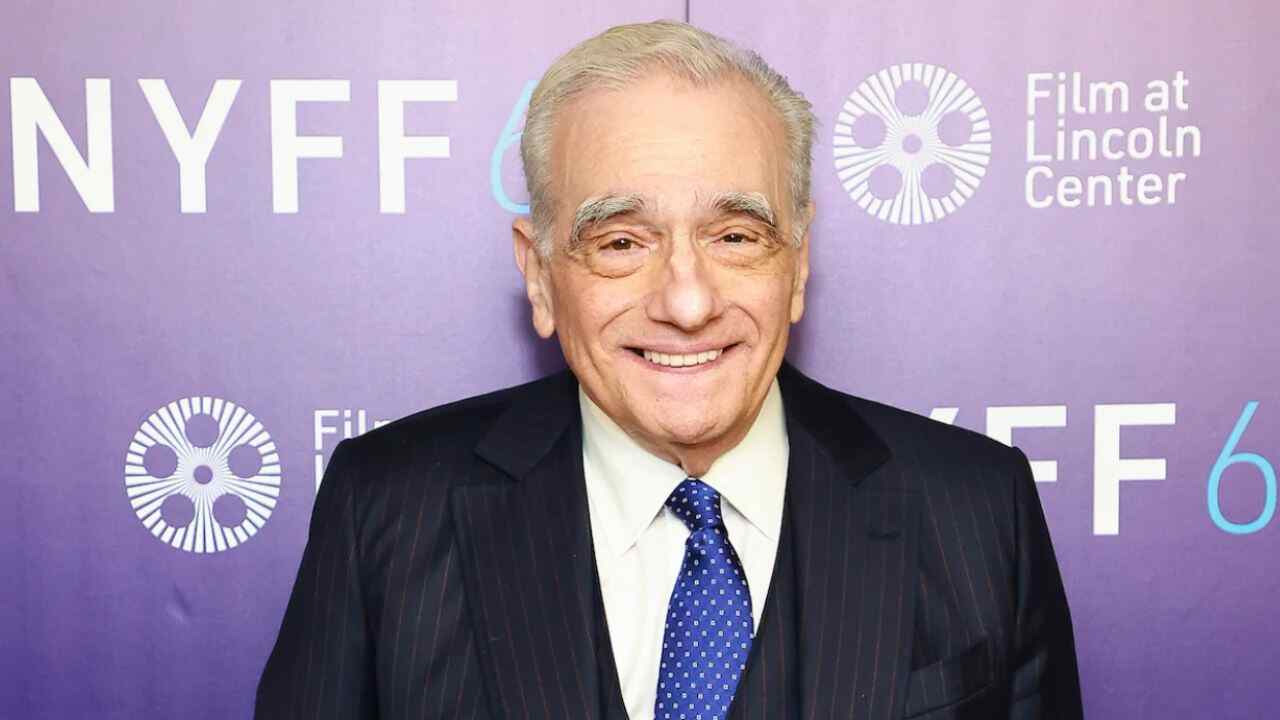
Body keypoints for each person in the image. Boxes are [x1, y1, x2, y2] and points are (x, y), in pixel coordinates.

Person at [255, 20, 1082, 720]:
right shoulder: (386, 510)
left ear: (797, 263)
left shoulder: (977, 509)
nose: (687, 303)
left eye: (736, 236)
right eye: (621, 242)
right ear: (540, 276)